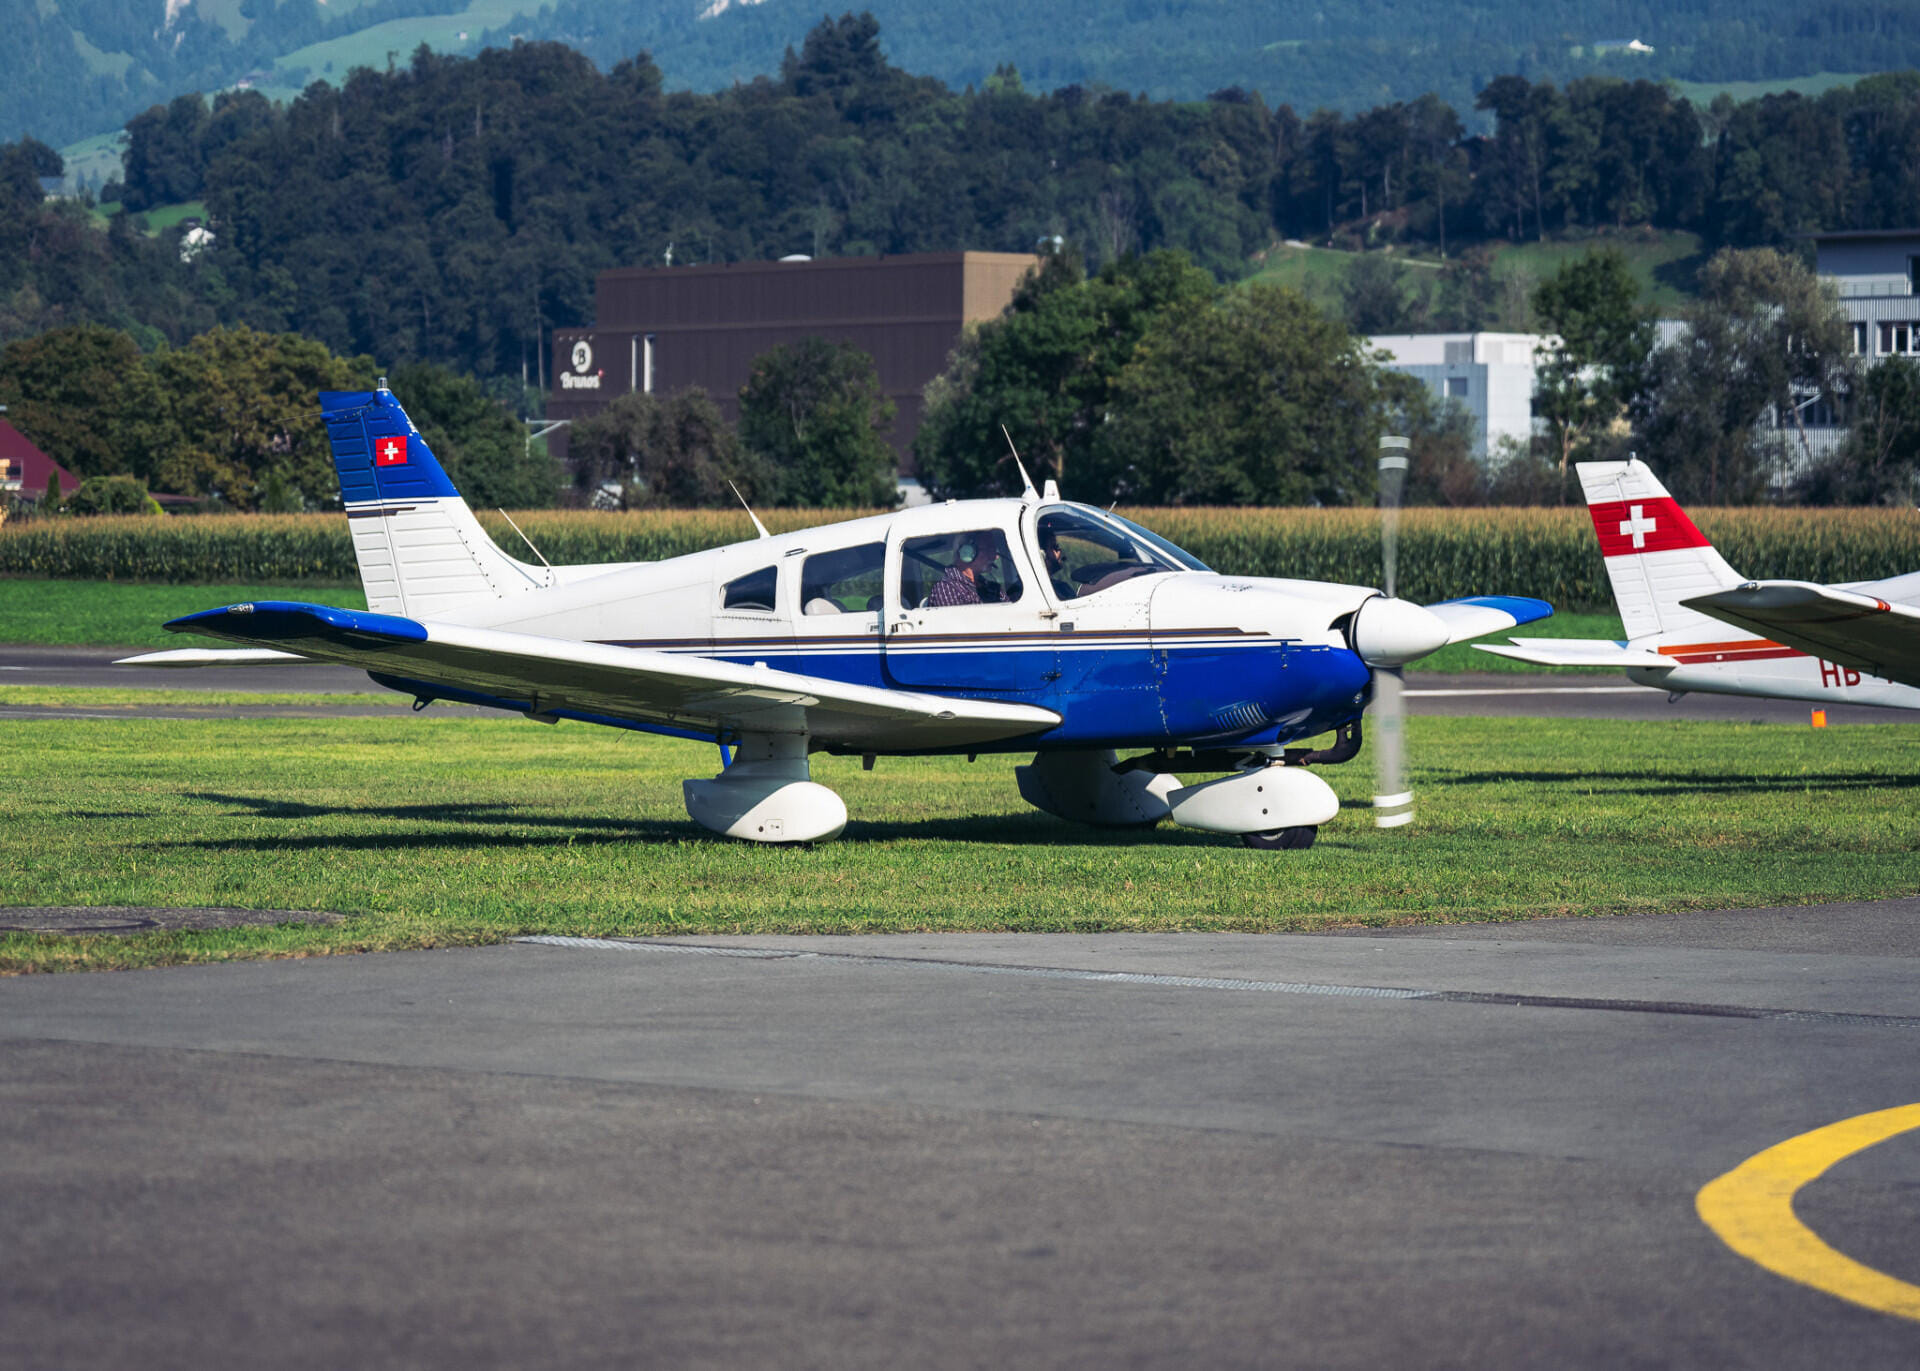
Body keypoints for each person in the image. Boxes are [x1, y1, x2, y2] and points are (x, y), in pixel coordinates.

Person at [927, 532, 1004, 607]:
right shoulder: (946, 589)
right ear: (967, 551)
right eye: (989, 550)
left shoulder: (991, 587)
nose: (996, 556)